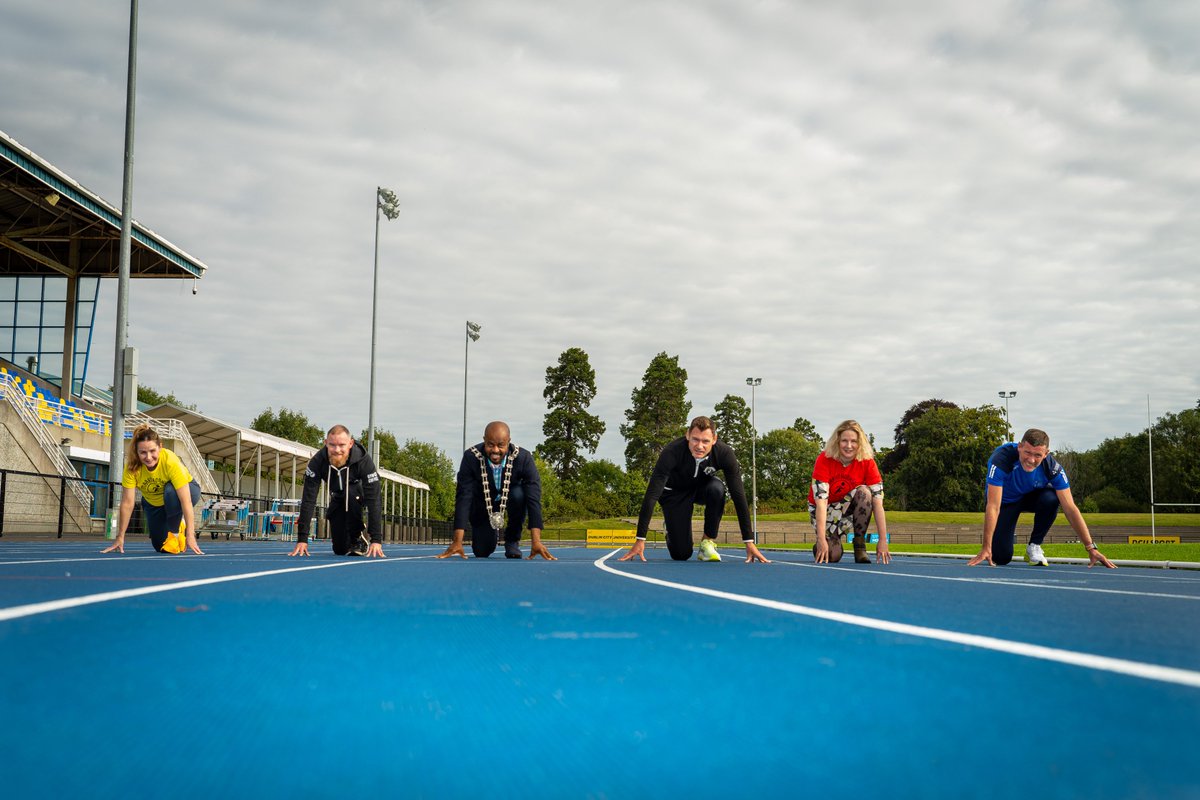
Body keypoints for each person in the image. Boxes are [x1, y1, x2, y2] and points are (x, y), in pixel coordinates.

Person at [619, 416, 770, 564]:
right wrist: (640, 539)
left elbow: (738, 495)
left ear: (714, 440)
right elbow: (652, 494)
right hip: (674, 493)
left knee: (717, 489)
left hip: (701, 489)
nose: (699, 446)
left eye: (705, 441)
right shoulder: (672, 451)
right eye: (695, 439)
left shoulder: (724, 453)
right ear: (687, 435)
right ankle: (671, 527)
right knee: (681, 554)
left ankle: (707, 543)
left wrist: (749, 541)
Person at [968, 428, 1115, 569]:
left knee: (1051, 498)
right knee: (1000, 558)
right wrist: (986, 547)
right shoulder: (1002, 459)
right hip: (1006, 502)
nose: (1031, 460)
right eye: (1027, 452)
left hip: (1031, 496)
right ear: (1019, 447)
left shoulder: (1052, 468)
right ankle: (995, 549)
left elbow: (1070, 508)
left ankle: (1034, 546)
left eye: (1037, 455)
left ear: (1046, 453)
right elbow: (993, 505)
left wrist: (1091, 547)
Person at [438, 421, 555, 560]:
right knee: (482, 552)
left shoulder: (523, 458)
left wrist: (536, 541)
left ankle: (512, 540)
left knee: (519, 494)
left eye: (501, 445)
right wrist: (457, 541)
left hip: (511, 500)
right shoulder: (471, 457)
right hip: (482, 505)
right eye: (490, 444)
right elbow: (464, 497)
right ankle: (487, 535)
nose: (495, 450)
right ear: (484, 441)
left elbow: (533, 499)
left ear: (508, 442)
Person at [102, 423, 203, 555]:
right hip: (154, 504)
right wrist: (120, 537)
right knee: (161, 547)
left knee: (170, 491)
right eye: (143, 453)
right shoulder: (132, 468)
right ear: (136, 452)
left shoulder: (169, 460)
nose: (148, 457)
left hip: (187, 492)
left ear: (160, 447)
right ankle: (174, 525)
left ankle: (176, 528)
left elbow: (186, 501)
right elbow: (127, 503)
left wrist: (190, 535)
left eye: (152, 451)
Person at [289, 425, 384, 558]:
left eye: (341, 445)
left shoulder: (363, 460)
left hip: (357, 494)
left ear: (350, 443)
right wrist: (302, 539)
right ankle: (348, 540)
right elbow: (308, 499)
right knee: (339, 550)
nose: (337, 450)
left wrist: (376, 540)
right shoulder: (317, 462)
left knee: (351, 492)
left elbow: (374, 499)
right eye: (332, 445)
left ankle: (357, 536)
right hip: (337, 497)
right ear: (326, 443)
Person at [810, 419, 890, 565]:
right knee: (832, 556)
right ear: (837, 441)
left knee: (865, 492)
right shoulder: (824, 459)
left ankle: (860, 547)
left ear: (860, 443)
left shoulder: (867, 462)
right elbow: (821, 503)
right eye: (844, 441)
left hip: (848, 509)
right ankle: (828, 540)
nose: (848, 446)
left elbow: (878, 504)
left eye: (853, 441)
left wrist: (883, 541)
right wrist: (821, 539)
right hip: (826, 510)